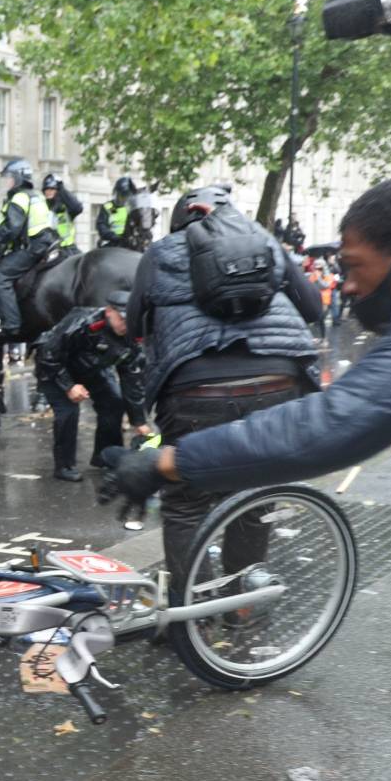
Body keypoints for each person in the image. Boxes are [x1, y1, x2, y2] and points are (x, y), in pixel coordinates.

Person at [109, 183, 324, 595]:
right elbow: (313, 308)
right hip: (279, 381)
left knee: (186, 503)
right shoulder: (264, 241)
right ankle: (242, 605)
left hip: (196, 391)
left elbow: (134, 326)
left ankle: (195, 616)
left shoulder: (161, 252)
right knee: (254, 495)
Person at [35, 291, 149, 482]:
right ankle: (64, 466)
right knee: (68, 412)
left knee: (114, 402)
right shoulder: (83, 322)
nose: (126, 326)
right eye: (122, 320)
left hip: (91, 370)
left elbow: (132, 379)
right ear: (109, 311)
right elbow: (48, 354)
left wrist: (139, 421)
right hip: (55, 369)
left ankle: (105, 455)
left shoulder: (131, 336)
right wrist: (69, 386)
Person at [0, 158, 57, 340]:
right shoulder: (37, 196)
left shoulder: (19, 197)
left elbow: (12, 230)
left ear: (19, 178)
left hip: (32, 247)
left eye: (9, 178)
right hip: (47, 243)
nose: (7, 182)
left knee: (0, 278)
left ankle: (11, 323)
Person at [42, 173, 84, 252]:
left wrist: (62, 189)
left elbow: (78, 207)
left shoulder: (65, 207)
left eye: (52, 189)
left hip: (68, 247)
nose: (49, 191)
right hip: (48, 248)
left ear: (57, 190)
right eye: (47, 189)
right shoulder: (41, 205)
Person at [97, 176, 137, 248]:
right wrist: (114, 236)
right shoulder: (109, 207)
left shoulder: (132, 208)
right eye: (122, 196)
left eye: (127, 196)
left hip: (130, 242)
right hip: (112, 242)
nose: (124, 199)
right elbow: (102, 226)